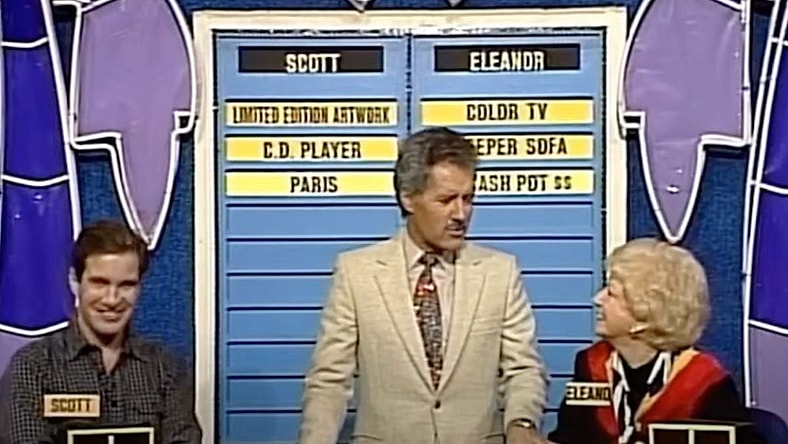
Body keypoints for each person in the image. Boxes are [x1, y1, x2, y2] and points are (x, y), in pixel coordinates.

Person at [298, 127, 548, 444]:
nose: (461, 214)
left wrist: (521, 423)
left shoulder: (500, 271)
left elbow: (524, 369)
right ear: (408, 198)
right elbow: (329, 381)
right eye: (446, 200)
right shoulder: (357, 272)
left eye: (468, 198)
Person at [0, 220, 202, 444]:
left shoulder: (167, 370)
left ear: (139, 288)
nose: (112, 299)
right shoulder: (33, 368)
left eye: (126, 285)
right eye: (100, 283)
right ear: (75, 281)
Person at [546, 238, 764, 444]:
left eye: (611, 293)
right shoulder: (590, 365)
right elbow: (568, 438)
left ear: (643, 316)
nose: (597, 299)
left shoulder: (703, 380)